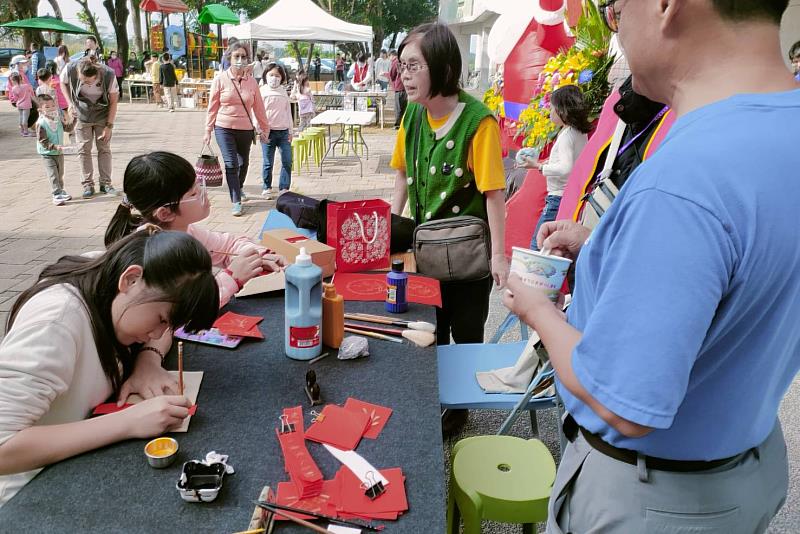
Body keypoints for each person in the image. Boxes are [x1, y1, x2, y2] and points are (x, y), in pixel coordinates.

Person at [502, 1, 800, 532]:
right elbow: (743, 262)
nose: (615, 27)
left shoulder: (686, 179)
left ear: (665, 6)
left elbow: (623, 403)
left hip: (653, 501)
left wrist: (539, 311)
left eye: (616, 9)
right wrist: (603, 242)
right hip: (746, 469)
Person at [0, 228, 219, 507]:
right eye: (161, 319)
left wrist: (148, 359)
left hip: (81, 464)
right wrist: (129, 421)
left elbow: (163, 331)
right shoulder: (55, 323)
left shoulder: (110, 277)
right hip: (32, 493)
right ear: (131, 279)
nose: (159, 333)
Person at [390, 23, 508, 433]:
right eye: (401, 66)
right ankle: (433, 400)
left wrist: (500, 257)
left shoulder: (479, 123)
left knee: (467, 331)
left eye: (412, 66)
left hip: (468, 256)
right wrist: (392, 228)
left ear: (440, 67)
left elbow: (494, 194)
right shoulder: (413, 116)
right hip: (426, 253)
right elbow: (402, 176)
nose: (403, 75)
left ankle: (460, 409)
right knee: (430, 329)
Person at [104, 151, 286, 307]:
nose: (203, 194)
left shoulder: (184, 230)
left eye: (199, 185)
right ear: (165, 213)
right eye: (193, 193)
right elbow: (182, 308)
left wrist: (256, 256)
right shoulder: (150, 252)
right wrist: (232, 277)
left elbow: (229, 245)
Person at [518, 85, 590, 250]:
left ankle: (532, 276)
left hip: (557, 197)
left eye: (552, 108)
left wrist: (538, 166)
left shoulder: (567, 136)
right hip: (571, 195)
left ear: (563, 111)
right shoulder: (579, 132)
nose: (549, 111)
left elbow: (566, 168)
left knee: (538, 244)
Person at [204, 42, 270, 216]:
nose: (240, 60)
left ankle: (238, 187)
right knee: (231, 164)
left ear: (248, 59)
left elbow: (259, 108)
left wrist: (264, 129)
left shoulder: (252, 83)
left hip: (246, 129)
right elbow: (212, 106)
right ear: (229, 58)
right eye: (236, 56)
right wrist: (208, 129)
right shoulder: (220, 79)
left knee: (243, 163)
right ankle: (236, 200)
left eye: (243, 56)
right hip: (223, 127)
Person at [60, 57, 120, 198]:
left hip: (102, 114)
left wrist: (109, 126)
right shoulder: (70, 68)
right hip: (81, 113)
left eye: (88, 81)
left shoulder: (109, 75)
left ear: (97, 75)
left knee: (104, 148)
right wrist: (70, 103)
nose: (83, 83)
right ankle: (88, 184)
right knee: (83, 148)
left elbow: (114, 101)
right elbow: (63, 83)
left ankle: (106, 184)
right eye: (81, 79)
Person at [34, 95, 77, 205]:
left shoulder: (58, 119)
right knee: (53, 174)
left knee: (60, 173)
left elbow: (68, 128)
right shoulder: (41, 123)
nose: (52, 109)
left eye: (53, 106)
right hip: (47, 153)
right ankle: (56, 194)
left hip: (59, 152)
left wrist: (75, 119)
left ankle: (61, 191)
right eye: (47, 107)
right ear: (40, 110)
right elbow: (43, 141)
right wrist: (54, 146)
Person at [260, 63, 293, 199]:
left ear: (282, 77)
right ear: (266, 75)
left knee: (287, 160)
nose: (274, 78)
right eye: (271, 75)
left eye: (277, 75)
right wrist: (259, 130)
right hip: (268, 132)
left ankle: (284, 188)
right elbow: (257, 112)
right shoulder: (261, 91)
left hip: (284, 131)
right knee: (268, 162)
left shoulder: (283, 91)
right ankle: (267, 187)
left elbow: (288, 111)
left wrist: (291, 130)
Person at [9, 73, 36, 137]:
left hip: (19, 105)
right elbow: (32, 95)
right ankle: (26, 132)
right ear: (21, 79)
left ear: (13, 81)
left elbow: (15, 99)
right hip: (26, 105)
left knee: (21, 118)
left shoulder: (13, 88)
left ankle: (22, 131)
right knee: (25, 119)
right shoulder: (27, 86)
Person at [388, 49, 407, 129]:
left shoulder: (395, 62)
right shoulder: (403, 61)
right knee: (404, 107)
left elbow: (392, 74)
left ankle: (397, 124)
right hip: (405, 87)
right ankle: (404, 123)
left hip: (399, 87)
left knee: (398, 107)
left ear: (392, 55)